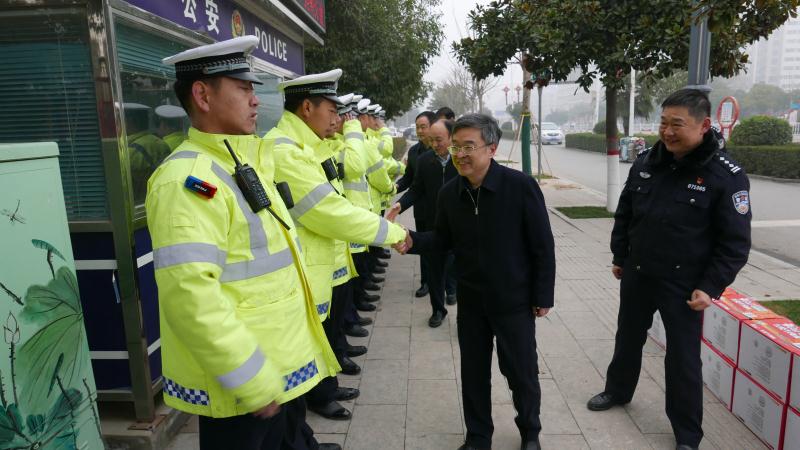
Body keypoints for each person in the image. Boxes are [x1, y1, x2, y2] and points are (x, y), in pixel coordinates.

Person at [149, 36, 340, 450]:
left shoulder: (240, 160)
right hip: (246, 390)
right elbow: (190, 294)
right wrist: (249, 377)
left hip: (278, 369)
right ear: (202, 95)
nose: (255, 100)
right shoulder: (187, 182)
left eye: (253, 88)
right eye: (243, 88)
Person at [586, 89, 752, 450]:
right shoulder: (647, 161)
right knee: (628, 337)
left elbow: (735, 244)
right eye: (663, 123)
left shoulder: (725, 176)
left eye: (677, 124)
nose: (667, 131)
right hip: (639, 271)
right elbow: (626, 212)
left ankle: (687, 434)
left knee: (683, 358)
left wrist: (710, 286)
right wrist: (620, 255)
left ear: (704, 126)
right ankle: (618, 390)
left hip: (685, 284)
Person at [395, 114, 555, 450]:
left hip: (513, 301)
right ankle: (478, 437)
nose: (460, 154)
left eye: (469, 146)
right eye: (456, 147)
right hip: (472, 302)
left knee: (521, 372)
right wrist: (412, 240)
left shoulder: (520, 187)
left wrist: (543, 295)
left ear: (491, 148)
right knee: (473, 374)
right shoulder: (449, 194)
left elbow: (542, 245)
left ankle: (530, 432)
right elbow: (442, 239)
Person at [263, 69, 408, 422]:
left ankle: (314, 408)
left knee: (321, 339)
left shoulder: (309, 145)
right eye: (333, 110)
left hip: (321, 262)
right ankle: (315, 405)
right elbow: (329, 211)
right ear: (307, 108)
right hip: (302, 272)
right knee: (305, 353)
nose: (339, 120)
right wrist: (393, 233)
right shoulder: (286, 151)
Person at [387, 118, 459, 327]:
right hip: (434, 226)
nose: (435, 144)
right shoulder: (426, 160)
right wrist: (399, 205)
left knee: (460, 269)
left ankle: (459, 304)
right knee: (434, 270)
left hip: (460, 227)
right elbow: (417, 189)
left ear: (451, 138)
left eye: (439, 140)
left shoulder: (462, 159)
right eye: (431, 140)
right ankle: (438, 310)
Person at [395, 111, 436, 298]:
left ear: (433, 127)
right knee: (424, 247)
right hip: (422, 209)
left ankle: (449, 287)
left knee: (447, 249)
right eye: (418, 127)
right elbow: (409, 179)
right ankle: (425, 282)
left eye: (423, 127)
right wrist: (394, 188)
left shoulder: (442, 150)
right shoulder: (413, 152)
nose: (419, 131)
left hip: (441, 209)